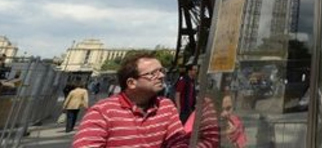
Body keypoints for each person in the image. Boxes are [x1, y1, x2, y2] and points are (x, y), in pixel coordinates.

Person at [72, 52, 218, 148]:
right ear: (131, 83)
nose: (161, 76)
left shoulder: (166, 107)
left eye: (161, 71)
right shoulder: (102, 112)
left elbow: (178, 143)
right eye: (152, 73)